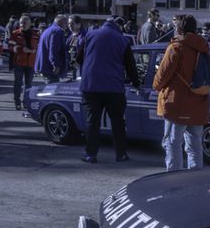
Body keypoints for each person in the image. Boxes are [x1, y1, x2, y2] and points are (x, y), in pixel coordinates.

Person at [76, 17, 140, 163]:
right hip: (113, 87)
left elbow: (78, 58)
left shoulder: (90, 35)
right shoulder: (122, 40)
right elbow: (130, 66)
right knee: (117, 122)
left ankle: (91, 155)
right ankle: (121, 154)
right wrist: (136, 83)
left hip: (90, 86)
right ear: (119, 25)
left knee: (92, 121)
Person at [152, 14, 210, 171]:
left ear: (179, 29)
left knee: (172, 143)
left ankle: (174, 178)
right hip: (199, 102)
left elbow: (162, 75)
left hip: (177, 103)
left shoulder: (176, 47)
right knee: (195, 145)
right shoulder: (203, 47)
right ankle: (195, 178)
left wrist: (156, 86)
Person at [8, 15, 39, 110]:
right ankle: (17, 102)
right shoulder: (14, 34)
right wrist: (22, 49)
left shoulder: (36, 35)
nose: (23, 24)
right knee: (18, 83)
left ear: (30, 23)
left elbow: (39, 48)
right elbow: (10, 47)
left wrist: (35, 51)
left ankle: (26, 102)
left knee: (28, 84)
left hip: (31, 63)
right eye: (21, 22)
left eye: (25, 22)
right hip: (19, 63)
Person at [36, 14, 69, 84]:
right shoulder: (58, 31)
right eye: (66, 23)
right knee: (52, 90)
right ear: (60, 22)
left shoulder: (49, 29)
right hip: (50, 67)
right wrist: (55, 64)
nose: (67, 26)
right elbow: (54, 49)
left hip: (44, 65)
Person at [66, 15, 85, 80]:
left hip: (82, 68)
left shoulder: (84, 36)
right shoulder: (70, 37)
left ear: (79, 25)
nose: (69, 25)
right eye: (68, 23)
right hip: (72, 68)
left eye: (72, 23)